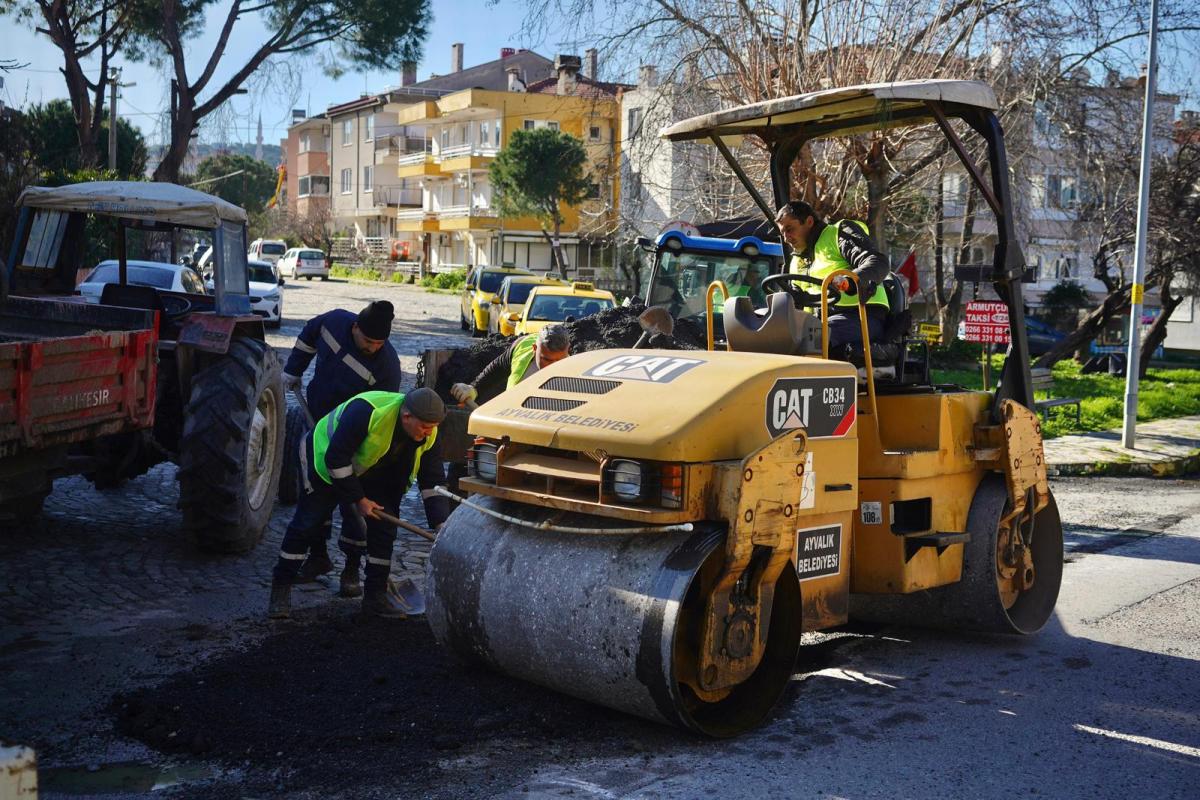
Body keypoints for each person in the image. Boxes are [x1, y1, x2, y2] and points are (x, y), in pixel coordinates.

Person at [268, 388, 450, 619]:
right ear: (407, 417)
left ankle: (375, 598)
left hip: (374, 471)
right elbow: (336, 459)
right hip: (325, 462)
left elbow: (433, 481)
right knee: (306, 524)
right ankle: (281, 587)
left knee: (384, 531)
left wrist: (441, 523)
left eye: (433, 427)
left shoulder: (428, 432)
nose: (429, 433)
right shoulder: (367, 412)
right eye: (425, 427)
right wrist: (358, 499)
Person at [281, 301, 402, 596]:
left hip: (356, 443)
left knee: (355, 506)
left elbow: (381, 414)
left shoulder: (387, 367)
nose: (373, 347)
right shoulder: (332, 324)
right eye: (368, 341)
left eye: (379, 343)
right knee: (316, 494)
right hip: (318, 424)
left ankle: (351, 568)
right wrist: (294, 369)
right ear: (355, 327)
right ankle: (318, 557)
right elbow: (308, 334)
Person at [774, 201, 890, 355]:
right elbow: (797, 302)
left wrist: (849, 281)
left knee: (810, 338)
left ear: (809, 222)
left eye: (790, 229)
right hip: (821, 322)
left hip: (862, 317)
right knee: (777, 338)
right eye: (782, 232)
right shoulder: (796, 262)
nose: (786, 238)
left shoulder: (839, 233)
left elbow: (877, 262)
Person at [449, 324, 571, 404]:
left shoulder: (578, 369)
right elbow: (499, 366)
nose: (553, 366)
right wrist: (474, 388)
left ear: (568, 350)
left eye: (560, 360)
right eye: (547, 360)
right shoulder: (522, 347)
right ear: (534, 349)